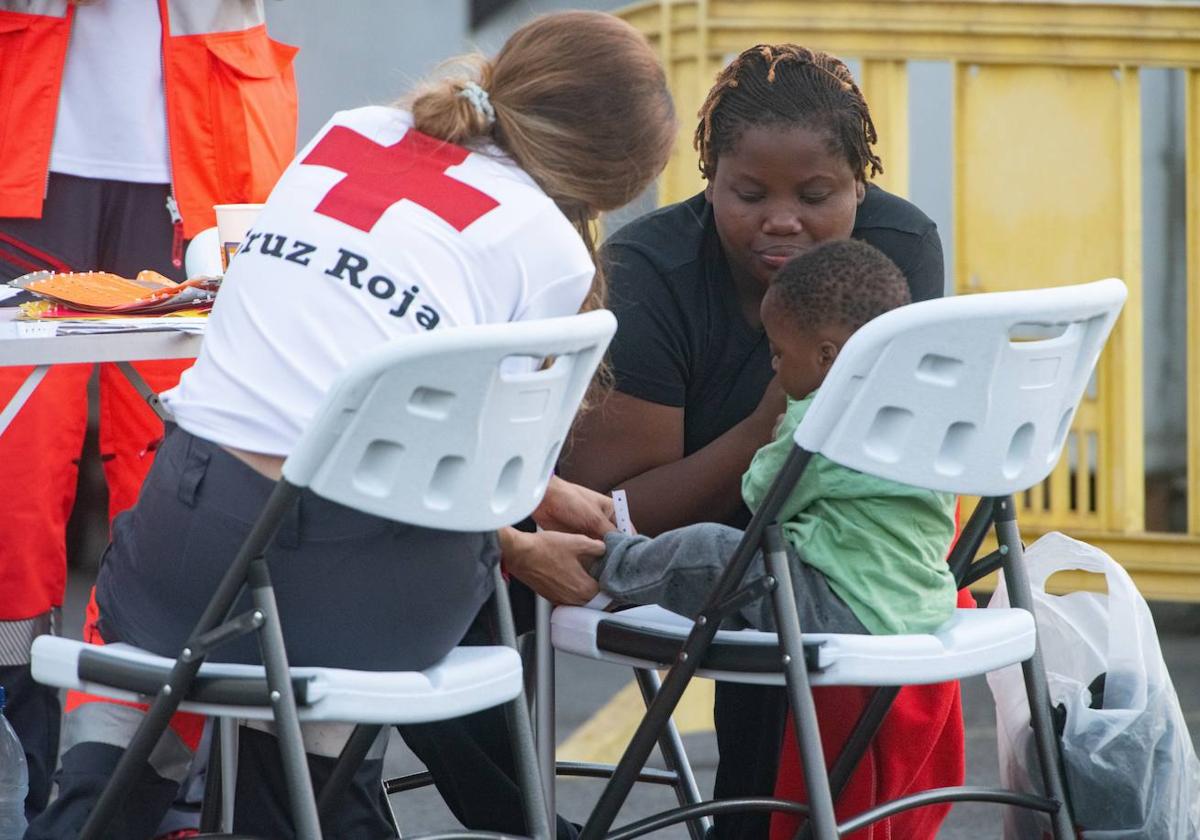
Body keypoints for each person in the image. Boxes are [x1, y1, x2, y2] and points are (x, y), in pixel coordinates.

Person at [25, 10, 676, 840]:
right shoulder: (552, 248)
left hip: (182, 549)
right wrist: (519, 540)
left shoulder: (350, 131)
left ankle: (105, 784)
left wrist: (537, 494)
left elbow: (321, 389)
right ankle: (313, 795)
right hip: (354, 592)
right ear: (609, 182)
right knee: (341, 663)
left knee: (180, 648)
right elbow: (468, 488)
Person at [558, 43, 971, 839]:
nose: (782, 219)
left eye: (817, 194)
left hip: (840, 559)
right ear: (708, 181)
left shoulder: (898, 246)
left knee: (777, 579)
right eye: (748, 193)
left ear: (861, 184)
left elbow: (898, 460)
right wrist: (760, 429)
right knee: (752, 569)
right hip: (699, 555)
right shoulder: (650, 271)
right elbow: (616, 515)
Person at [0, 0, 298, 827]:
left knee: (186, 482)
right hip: (20, 137)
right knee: (10, 488)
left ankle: (165, 793)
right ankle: (11, 779)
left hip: (208, 157)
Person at [586, 239, 959, 640]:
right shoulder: (923, 409)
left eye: (779, 351)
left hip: (838, 606)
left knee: (707, 549)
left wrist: (774, 429)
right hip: (924, 607)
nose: (774, 364)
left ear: (827, 357)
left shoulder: (820, 420)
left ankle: (601, 565)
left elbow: (762, 498)